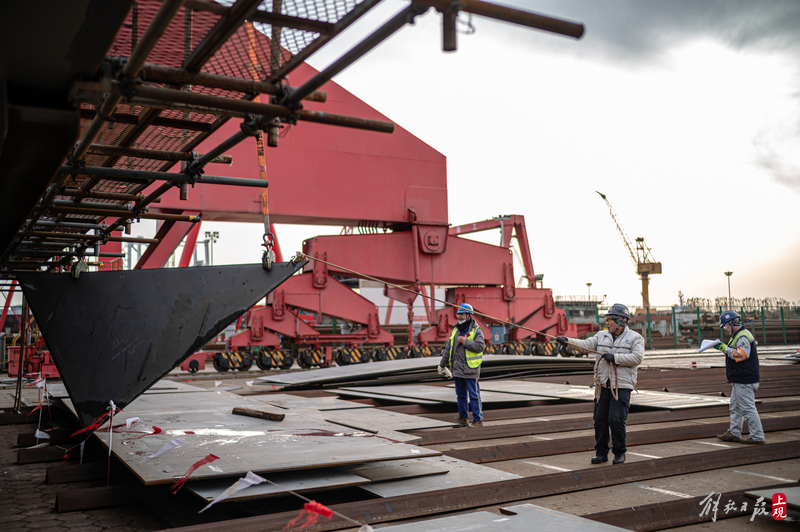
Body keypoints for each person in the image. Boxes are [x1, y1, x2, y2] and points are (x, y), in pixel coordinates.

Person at [557, 303, 644, 465]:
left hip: (622, 386)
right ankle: (601, 453)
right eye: (607, 319)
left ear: (621, 321)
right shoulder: (601, 336)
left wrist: (615, 358)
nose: (607, 322)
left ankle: (619, 453)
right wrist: (566, 341)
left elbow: (637, 358)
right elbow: (585, 345)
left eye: (610, 319)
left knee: (616, 419)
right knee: (600, 419)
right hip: (602, 385)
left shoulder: (635, 338)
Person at [715, 311, 764, 444]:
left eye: (725, 326)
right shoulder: (737, 335)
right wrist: (724, 348)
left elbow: (742, 355)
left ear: (732, 323)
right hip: (740, 379)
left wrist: (724, 348)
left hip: (745, 380)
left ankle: (757, 437)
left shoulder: (742, 336)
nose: (725, 329)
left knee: (747, 408)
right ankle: (734, 432)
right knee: (735, 406)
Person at [438, 303, 485, 428]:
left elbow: (480, 347)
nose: (459, 316)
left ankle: (477, 420)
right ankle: (463, 419)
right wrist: (442, 365)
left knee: (474, 395)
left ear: (469, 315)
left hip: (470, 369)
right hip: (458, 370)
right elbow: (448, 349)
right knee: (461, 396)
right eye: (458, 314)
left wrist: (465, 342)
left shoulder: (476, 330)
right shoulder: (455, 330)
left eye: (462, 314)